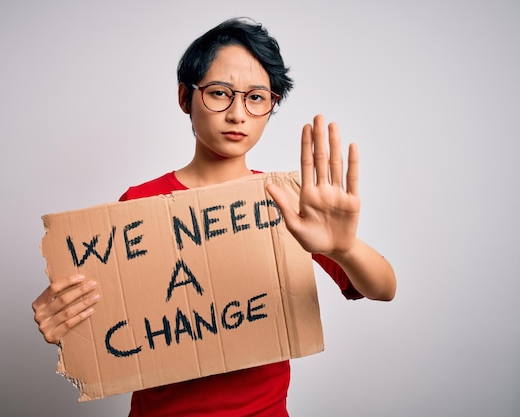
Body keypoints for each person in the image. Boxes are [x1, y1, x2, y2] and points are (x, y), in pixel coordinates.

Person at [32, 17, 396, 416]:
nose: (238, 113)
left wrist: (344, 247)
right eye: (220, 93)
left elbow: (383, 289)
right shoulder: (139, 202)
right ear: (185, 97)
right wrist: (69, 327)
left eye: (256, 97)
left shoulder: (286, 201)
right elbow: (118, 324)